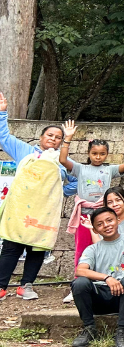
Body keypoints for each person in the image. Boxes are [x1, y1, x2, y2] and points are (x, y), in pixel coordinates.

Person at [0, 91, 77, 300]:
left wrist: (59, 192)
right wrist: (2, 113)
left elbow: (78, 181)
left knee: (37, 248)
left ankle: (26, 286)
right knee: (11, 246)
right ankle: (1, 286)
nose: (53, 139)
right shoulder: (24, 151)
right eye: (50, 135)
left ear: (62, 142)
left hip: (45, 212)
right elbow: (3, 137)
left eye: (58, 137)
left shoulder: (63, 162)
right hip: (19, 209)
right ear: (41, 137)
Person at [59, 121, 124, 303]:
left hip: (103, 216)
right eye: (94, 153)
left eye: (102, 154)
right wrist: (68, 138)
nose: (98, 157)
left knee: (105, 249)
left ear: (107, 154)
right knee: (82, 249)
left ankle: (104, 280)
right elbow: (63, 160)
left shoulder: (109, 169)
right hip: (85, 215)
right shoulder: (80, 168)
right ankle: (78, 283)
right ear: (88, 154)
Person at [70, 206, 124, 347]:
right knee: (80, 283)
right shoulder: (93, 249)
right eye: (100, 224)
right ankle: (89, 329)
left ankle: (122, 331)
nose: (106, 225)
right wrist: (107, 278)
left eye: (109, 220)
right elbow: (80, 270)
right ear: (94, 230)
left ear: (118, 220)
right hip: (101, 297)